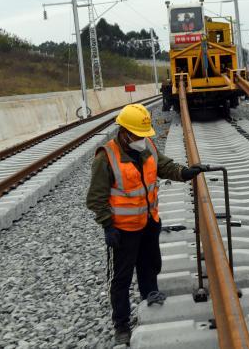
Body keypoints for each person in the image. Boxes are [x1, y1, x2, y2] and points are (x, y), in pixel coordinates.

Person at [86, 103, 208, 345]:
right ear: (125, 133)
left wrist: (184, 173)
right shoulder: (106, 157)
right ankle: (121, 324)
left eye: (145, 134)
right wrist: (107, 226)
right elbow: (95, 198)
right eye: (138, 135)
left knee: (150, 263)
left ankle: (149, 292)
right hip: (123, 229)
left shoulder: (147, 146)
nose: (143, 139)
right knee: (121, 278)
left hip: (150, 221)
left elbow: (164, 167)